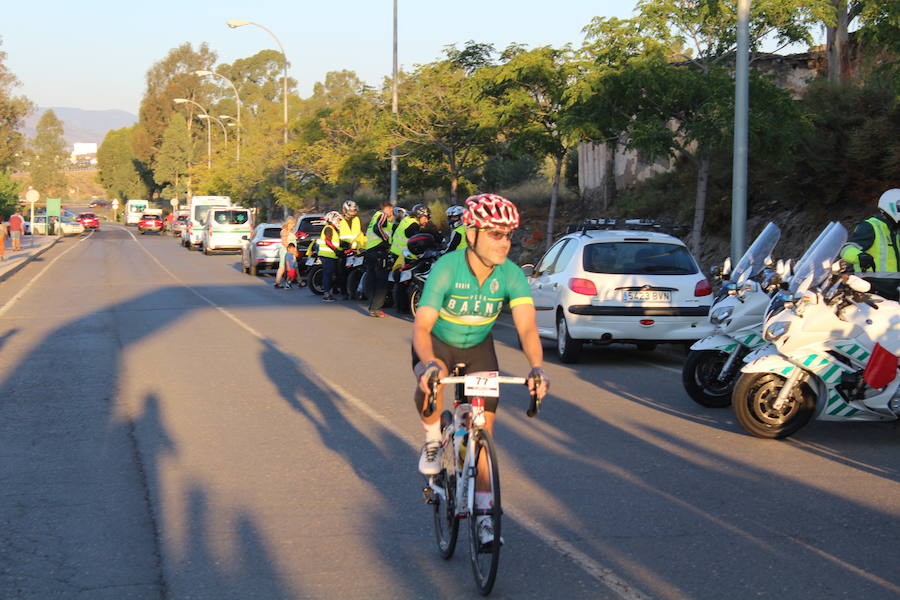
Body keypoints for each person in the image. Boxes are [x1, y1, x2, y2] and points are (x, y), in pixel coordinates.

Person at [410, 193, 549, 545]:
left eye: (508, 235)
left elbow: (528, 328)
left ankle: (485, 516)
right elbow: (422, 328)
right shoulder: (447, 268)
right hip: (438, 344)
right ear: (471, 234)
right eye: (495, 234)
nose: (504, 243)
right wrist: (427, 364)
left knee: (484, 433)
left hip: (479, 350)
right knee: (433, 377)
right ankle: (431, 440)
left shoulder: (512, 275)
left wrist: (537, 369)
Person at [841, 188, 900, 300]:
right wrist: (859, 256)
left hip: (894, 290)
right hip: (871, 288)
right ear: (892, 206)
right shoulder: (871, 226)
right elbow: (847, 248)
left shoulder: (896, 231)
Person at [390, 203, 431, 314]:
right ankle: (402, 308)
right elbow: (416, 240)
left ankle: (400, 307)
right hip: (403, 256)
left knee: (401, 282)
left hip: (397, 253)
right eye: (426, 218)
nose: (427, 221)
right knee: (404, 282)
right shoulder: (414, 225)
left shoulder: (407, 219)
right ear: (420, 216)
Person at [363, 200, 395, 317]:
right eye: (391, 209)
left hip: (370, 250)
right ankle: (375, 308)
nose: (391, 212)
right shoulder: (382, 215)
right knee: (382, 281)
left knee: (371, 278)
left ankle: (372, 304)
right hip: (379, 251)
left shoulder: (374, 216)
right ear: (387, 208)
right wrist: (386, 239)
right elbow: (378, 228)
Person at [336, 200, 366, 298]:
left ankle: (354, 289)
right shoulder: (339, 220)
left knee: (354, 270)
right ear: (345, 210)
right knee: (342, 271)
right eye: (351, 211)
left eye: (354, 211)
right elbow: (337, 234)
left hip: (355, 249)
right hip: (343, 248)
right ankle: (343, 291)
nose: (353, 213)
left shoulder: (357, 219)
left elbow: (360, 233)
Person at [315, 211, 343, 302]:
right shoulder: (329, 228)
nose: (339, 222)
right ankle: (326, 294)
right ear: (333, 219)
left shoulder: (333, 229)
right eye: (338, 220)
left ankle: (331, 291)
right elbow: (328, 241)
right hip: (327, 255)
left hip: (331, 256)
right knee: (328, 274)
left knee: (331, 274)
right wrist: (336, 250)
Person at [274, 216, 298, 288]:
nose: (293, 225)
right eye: (292, 224)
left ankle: (297, 280)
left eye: (293, 224)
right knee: (282, 267)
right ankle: (278, 282)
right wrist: (291, 249)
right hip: (286, 251)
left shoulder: (290, 231)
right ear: (288, 223)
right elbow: (284, 242)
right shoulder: (284, 231)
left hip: (290, 251)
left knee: (293, 266)